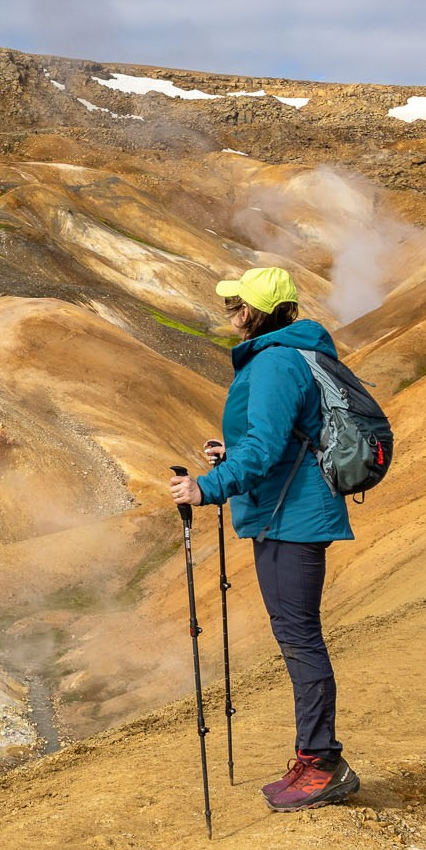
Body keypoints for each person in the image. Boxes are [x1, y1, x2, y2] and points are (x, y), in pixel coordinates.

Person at [168, 265, 360, 811]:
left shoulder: (275, 361)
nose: (231, 311)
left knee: (300, 639)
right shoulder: (289, 354)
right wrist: (230, 458)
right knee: (298, 636)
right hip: (287, 512)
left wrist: (207, 488)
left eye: (237, 304)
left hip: (292, 520)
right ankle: (313, 756)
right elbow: (277, 441)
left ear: (256, 311)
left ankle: (322, 762)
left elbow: (266, 450)